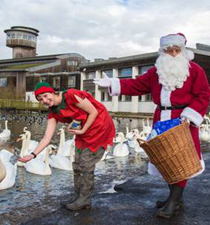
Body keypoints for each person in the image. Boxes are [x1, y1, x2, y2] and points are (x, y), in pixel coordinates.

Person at [94, 33, 210, 218]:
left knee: (182, 159)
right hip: (161, 118)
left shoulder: (195, 70)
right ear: (163, 51)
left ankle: (174, 201)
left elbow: (203, 95)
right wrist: (114, 84)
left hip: (183, 119)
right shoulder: (157, 71)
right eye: (168, 50)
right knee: (165, 158)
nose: (172, 53)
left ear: (183, 50)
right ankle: (175, 198)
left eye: (176, 49)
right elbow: (137, 85)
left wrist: (190, 116)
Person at [18, 82, 115, 210]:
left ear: (53, 92)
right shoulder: (53, 113)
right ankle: (78, 197)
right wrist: (32, 155)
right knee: (76, 164)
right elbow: (47, 137)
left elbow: (93, 112)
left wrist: (82, 130)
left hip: (99, 126)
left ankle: (84, 200)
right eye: (40, 99)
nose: (45, 100)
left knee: (86, 163)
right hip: (83, 130)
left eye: (46, 96)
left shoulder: (71, 95)